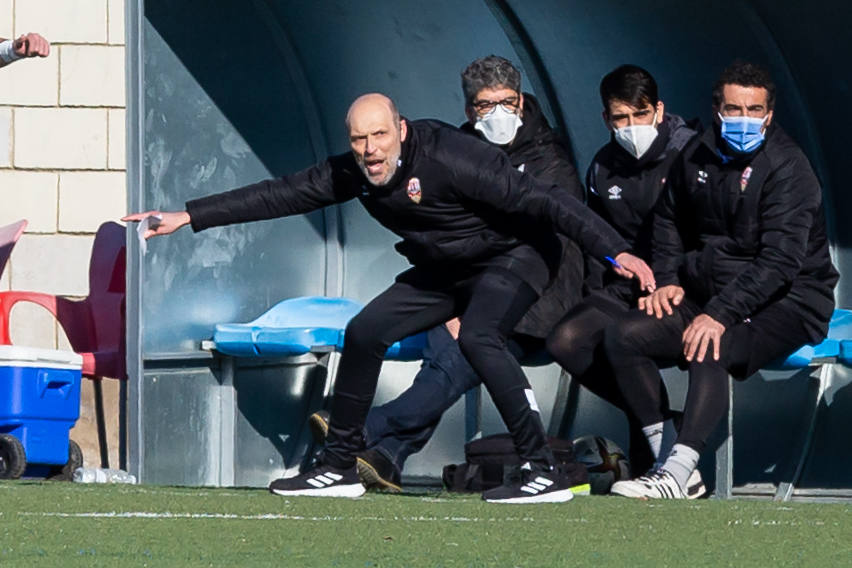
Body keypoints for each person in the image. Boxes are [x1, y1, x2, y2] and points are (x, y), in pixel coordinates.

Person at [125, 92, 654, 504]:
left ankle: (543, 471)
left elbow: (547, 202)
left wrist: (616, 253)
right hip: (446, 268)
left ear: (400, 130)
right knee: (365, 331)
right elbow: (279, 194)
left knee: (478, 336)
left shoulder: (454, 157)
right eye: (359, 139)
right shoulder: (353, 171)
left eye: (379, 135)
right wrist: (190, 216)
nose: (370, 149)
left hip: (514, 256)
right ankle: (338, 465)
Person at [307, 55, 590, 495]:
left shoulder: (547, 159)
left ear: (520, 101)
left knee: (462, 351)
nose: (496, 114)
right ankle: (386, 455)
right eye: (484, 105)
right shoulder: (459, 148)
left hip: (537, 295)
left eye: (505, 102)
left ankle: (368, 429)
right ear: (468, 110)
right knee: (443, 344)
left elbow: (555, 246)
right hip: (472, 285)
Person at [607, 61, 838, 499]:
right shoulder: (695, 153)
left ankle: (677, 475)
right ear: (717, 109)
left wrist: (718, 313)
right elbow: (668, 220)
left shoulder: (789, 168)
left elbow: (780, 262)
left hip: (788, 301)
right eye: (735, 109)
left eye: (755, 110)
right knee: (623, 336)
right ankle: (668, 457)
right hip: (711, 293)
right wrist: (669, 279)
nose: (744, 119)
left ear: (770, 114)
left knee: (709, 345)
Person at [544, 64, 703, 490]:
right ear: (606, 119)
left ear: (659, 110)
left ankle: (669, 456)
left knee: (626, 337)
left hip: (684, 289)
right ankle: (665, 427)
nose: (631, 126)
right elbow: (598, 240)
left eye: (640, 114)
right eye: (620, 118)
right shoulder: (603, 167)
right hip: (625, 289)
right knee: (565, 339)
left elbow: (711, 236)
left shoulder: (692, 155)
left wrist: (676, 281)